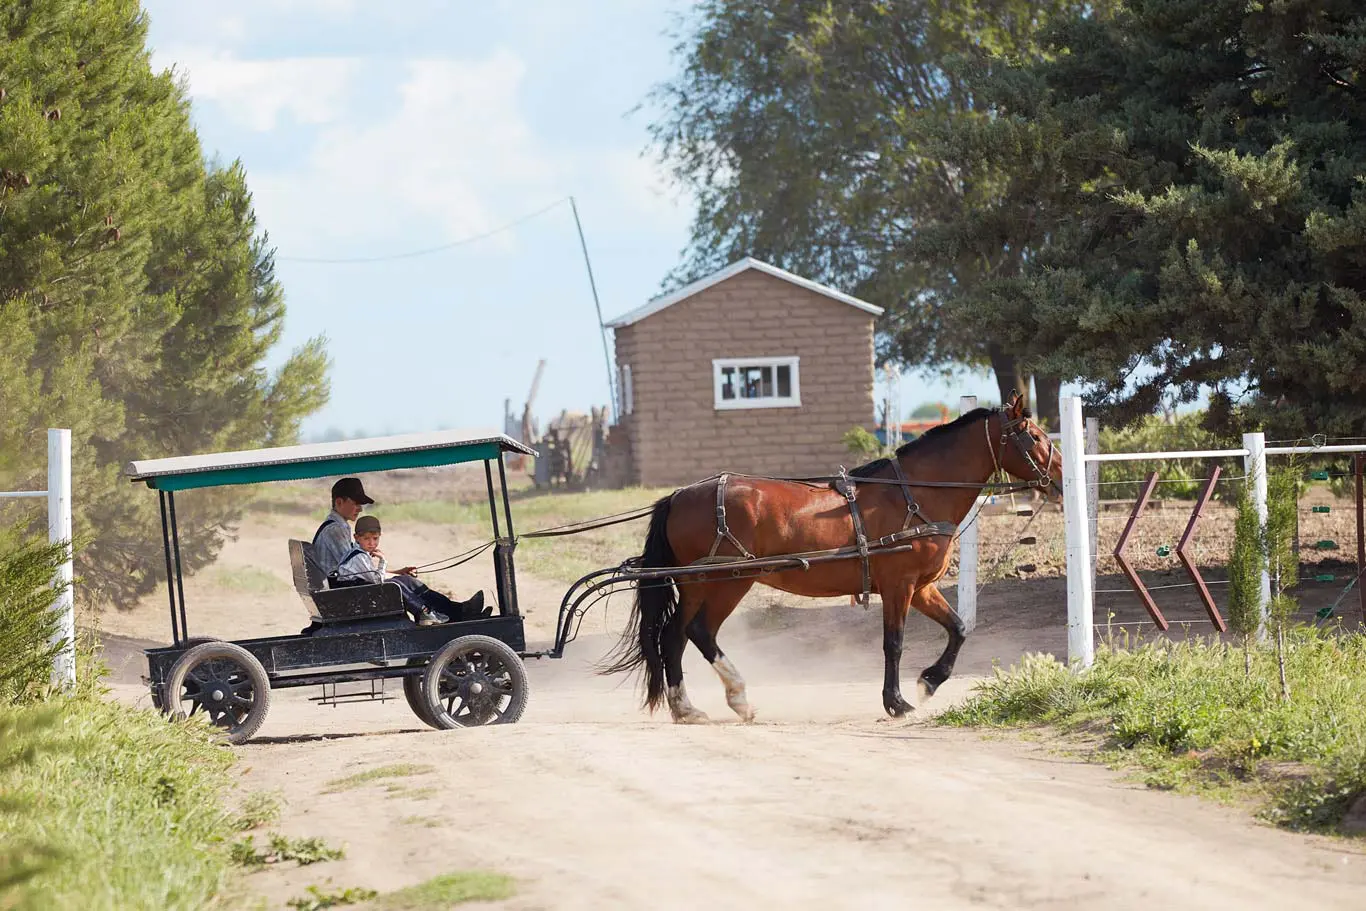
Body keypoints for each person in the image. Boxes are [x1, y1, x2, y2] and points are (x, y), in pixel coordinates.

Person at [311, 478, 488, 625]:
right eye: (356, 503)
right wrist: (391, 574)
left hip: (345, 590)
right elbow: (357, 570)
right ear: (339, 502)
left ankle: (457, 611)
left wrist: (396, 572)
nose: (360, 508)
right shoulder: (335, 530)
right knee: (398, 585)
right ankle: (449, 614)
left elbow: (360, 570)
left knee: (406, 580)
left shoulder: (338, 527)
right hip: (342, 596)